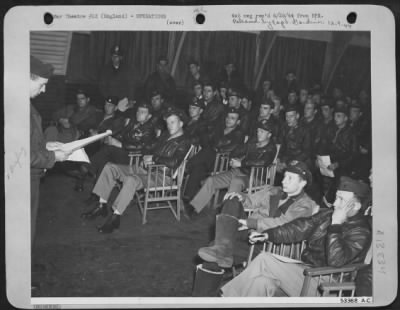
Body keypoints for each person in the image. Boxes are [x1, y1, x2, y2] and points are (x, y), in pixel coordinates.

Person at [220, 176, 371, 297]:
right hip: (306, 271)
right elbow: (298, 228)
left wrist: (336, 224)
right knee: (260, 283)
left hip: (326, 284)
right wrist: (267, 235)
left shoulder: (361, 231)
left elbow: (336, 261)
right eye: (336, 198)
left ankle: (223, 298)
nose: (334, 204)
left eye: (342, 200)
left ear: (356, 206)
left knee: (265, 259)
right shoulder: (326, 215)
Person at [81, 109, 190, 234]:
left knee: (131, 179)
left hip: (162, 177)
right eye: (168, 123)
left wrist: (154, 158)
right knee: (109, 167)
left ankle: (115, 217)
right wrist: (146, 150)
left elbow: (174, 162)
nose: (169, 126)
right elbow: (150, 147)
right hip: (145, 169)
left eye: (173, 122)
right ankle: (101, 205)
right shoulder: (165, 135)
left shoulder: (184, 141)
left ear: (181, 124)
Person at [197, 160, 318, 268]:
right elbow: (251, 201)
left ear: (303, 183)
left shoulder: (305, 205)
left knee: (213, 253)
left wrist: (251, 223)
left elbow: (283, 223)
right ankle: (222, 248)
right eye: (284, 176)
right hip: (248, 232)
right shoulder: (273, 190)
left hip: (269, 243)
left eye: (290, 178)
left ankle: (221, 250)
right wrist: (242, 197)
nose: (283, 181)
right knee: (232, 200)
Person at [186, 119, 277, 218]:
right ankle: (195, 207)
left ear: (269, 135)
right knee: (211, 180)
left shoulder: (271, 148)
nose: (259, 134)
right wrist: (234, 159)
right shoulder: (253, 142)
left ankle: (227, 215)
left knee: (236, 182)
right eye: (258, 131)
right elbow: (238, 149)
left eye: (262, 132)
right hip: (240, 171)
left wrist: (242, 163)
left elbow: (263, 162)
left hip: (255, 177)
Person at [30, 56, 72, 244]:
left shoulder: (27, 106)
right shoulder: (19, 109)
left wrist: (46, 146)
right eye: (41, 85)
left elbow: (27, 143)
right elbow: (21, 156)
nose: (44, 89)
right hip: (25, 181)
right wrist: (53, 156)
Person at [76, 101, 155, 193]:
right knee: (104, 161)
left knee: (108, 150)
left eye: (142, 112)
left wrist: (120, 144)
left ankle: (85, 169)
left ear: (149, 116)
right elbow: (123, 135)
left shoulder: (149, 129)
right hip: (124, 153)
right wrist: (112, 139)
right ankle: (98, 197)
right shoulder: (133, 123)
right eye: (138, 111)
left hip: (134, 158)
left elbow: (142, 147)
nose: (138, 113)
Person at [183, 108, 245, 214]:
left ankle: (187, 166)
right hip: (210, 160)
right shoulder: (219, 129)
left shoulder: (239, 133)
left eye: (232, 118)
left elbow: (233, 147)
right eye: (228, 117)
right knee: (199, 167)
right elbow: (207, 141)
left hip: (223, 162)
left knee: (208, 151)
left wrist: (217, 149)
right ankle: (188, 199)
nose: (228, 120)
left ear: (238, 122)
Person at [98, 44, 136, 111]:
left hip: (123, 100)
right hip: (110, 100)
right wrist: (109, 99)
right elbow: (102, 87)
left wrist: (130, 99)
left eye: (117, 56)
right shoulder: (105, 70)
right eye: (113, 56)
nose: (114, 58)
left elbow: (131, 86)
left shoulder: (127, 69)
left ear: (121, 57)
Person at [276, 104, 312, 173]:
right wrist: (278, 159)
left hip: (299, 160)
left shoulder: (305, 130)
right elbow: (280, 147)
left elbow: (306, 152)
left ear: (297, 116)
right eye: (286, 116)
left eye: (291, 116)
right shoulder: (284, 128)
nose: (288, 119)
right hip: (285, 160)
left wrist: (288, 163)